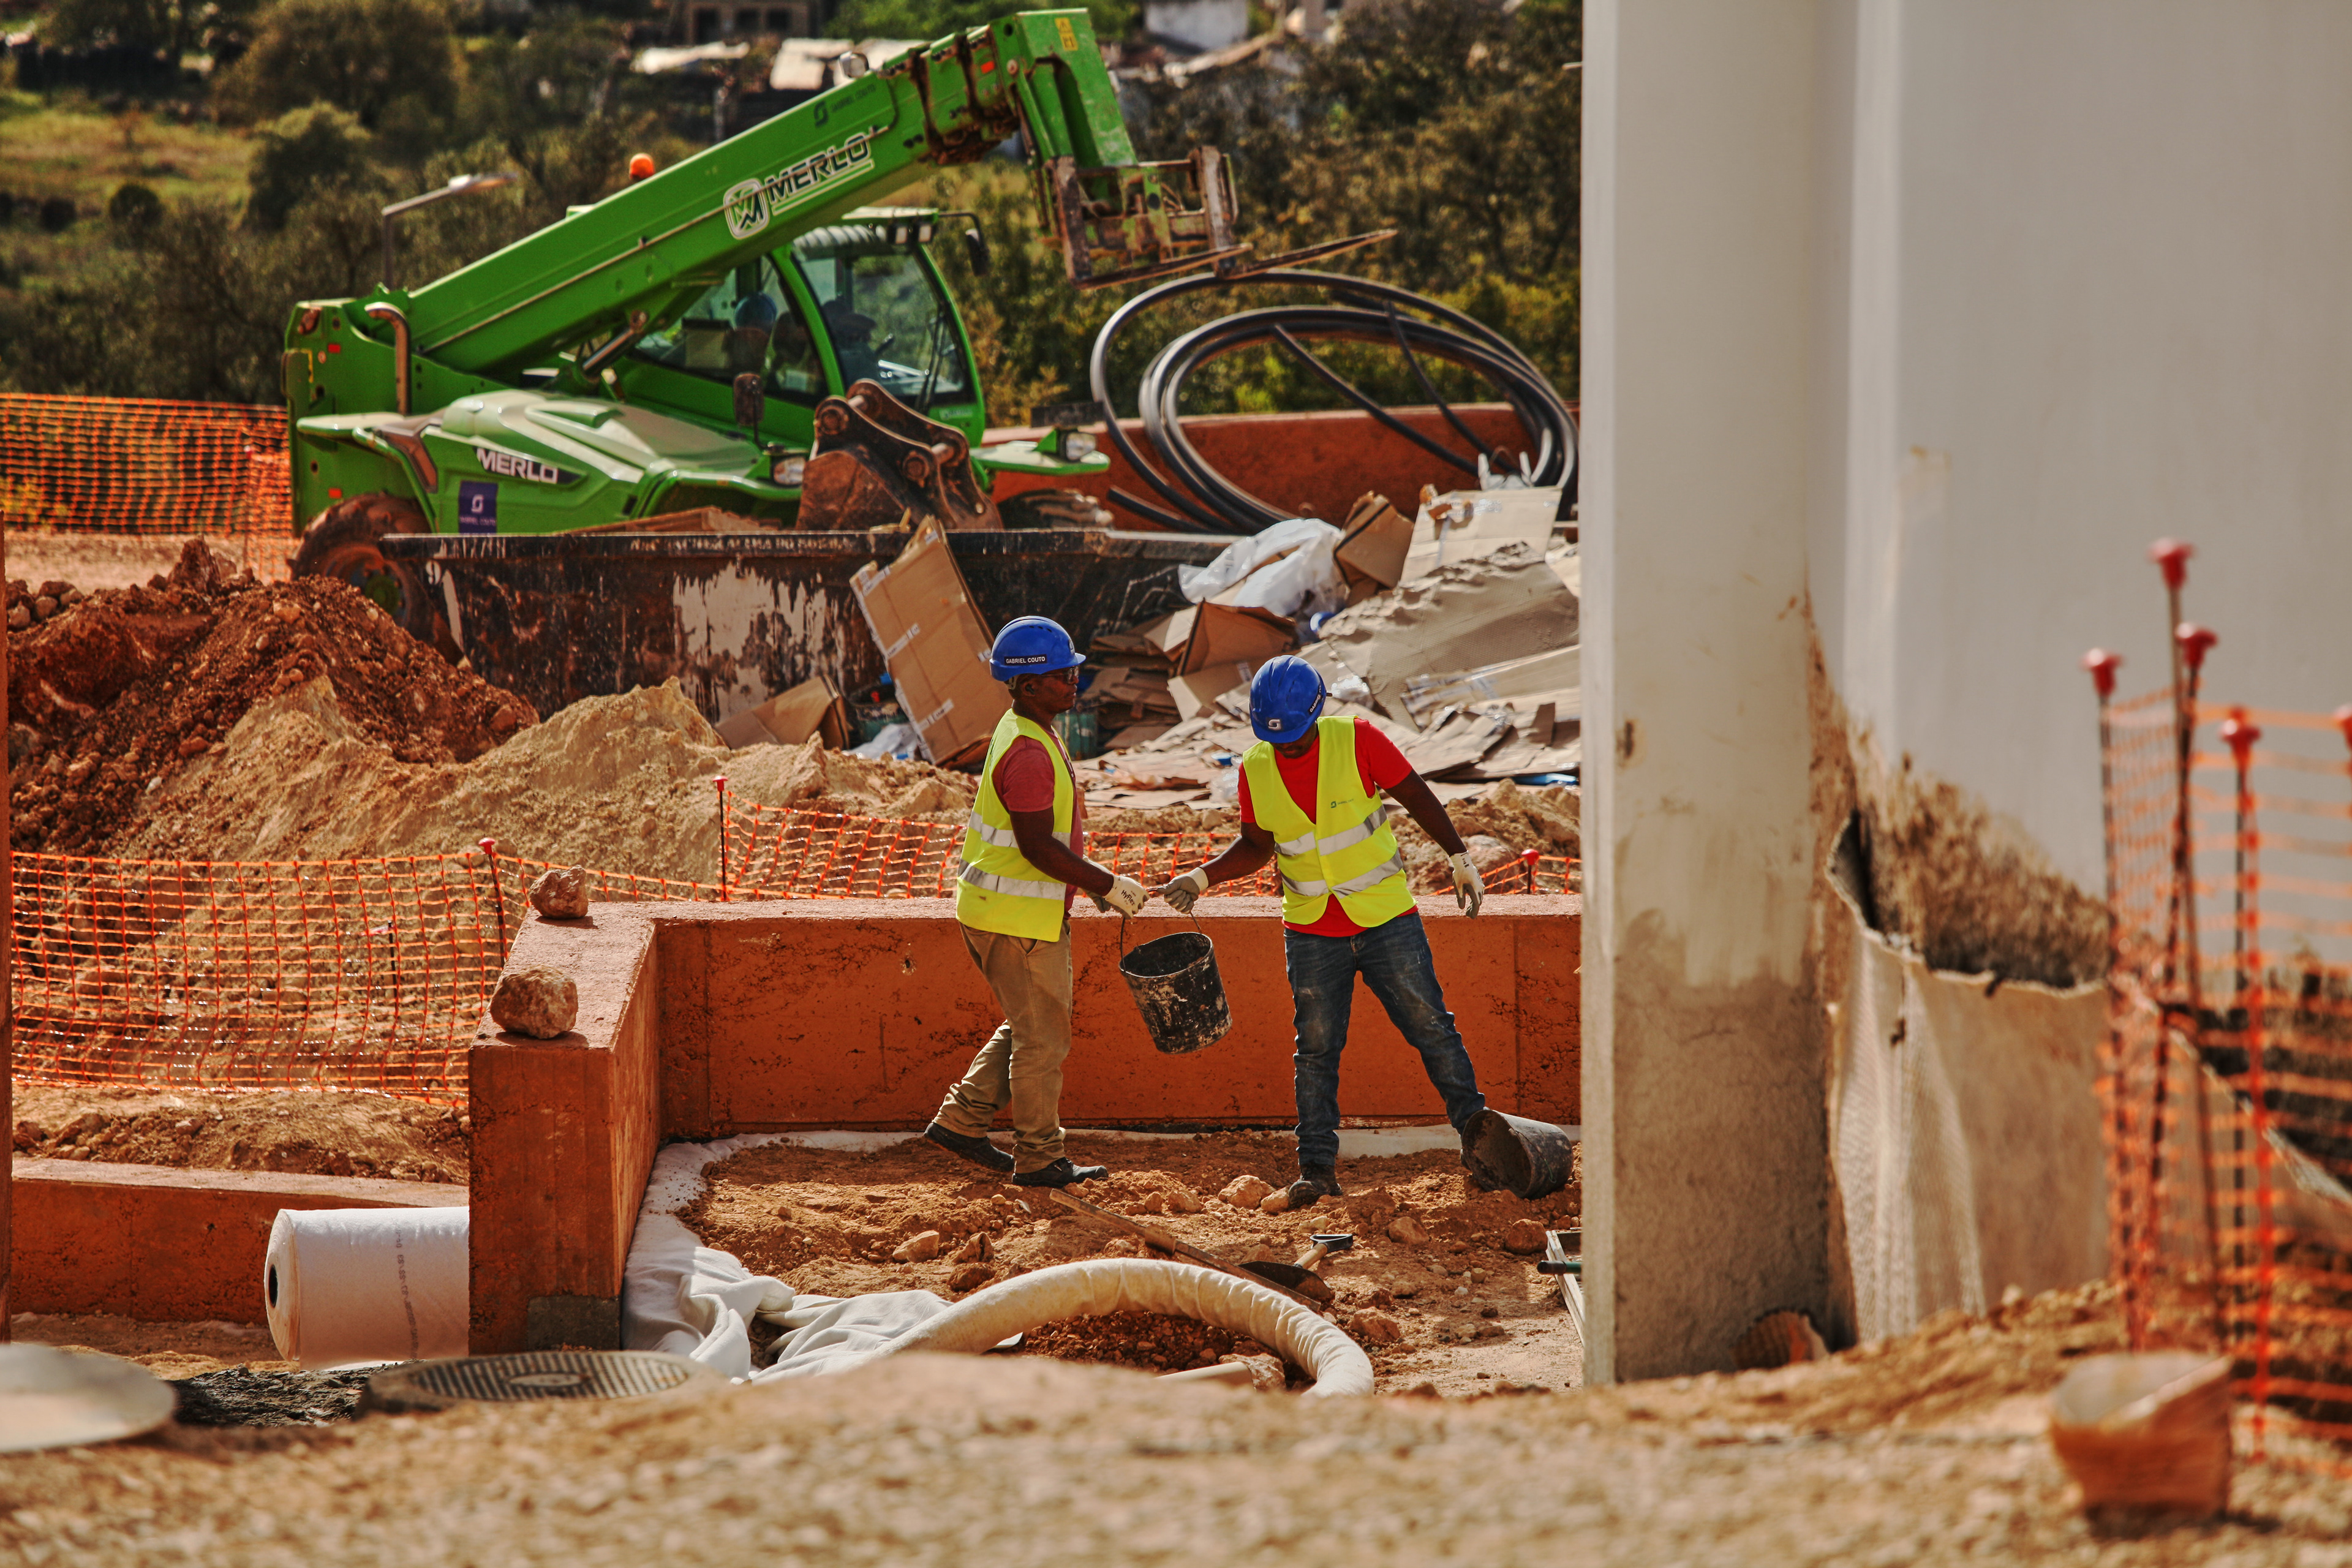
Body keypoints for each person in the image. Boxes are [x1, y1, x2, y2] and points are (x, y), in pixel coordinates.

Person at [1156, 657, 1488, 1210]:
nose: (1286, 747)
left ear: (1317, 713)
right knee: (1315, 1048)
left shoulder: (1356, 739)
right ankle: (1316, 1169)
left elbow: (1416, 794)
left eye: (1296, 736)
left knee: (1433, 1028)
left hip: (1385, 918)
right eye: (1275, 738)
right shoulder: (1255, 767)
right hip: (1311, 928)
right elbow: (1257, 844)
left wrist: (1459, 855)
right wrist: (1203, 874)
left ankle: (1481, 1143)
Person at [922, 617, 1147, 1188]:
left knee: (1031, 1026)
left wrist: (1083, 884)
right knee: (1042, 1038)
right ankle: (1041, 1158)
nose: (1074, 678)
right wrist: (1104, 883)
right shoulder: (1027, 749)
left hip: (1008, 912)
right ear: (1027, 685)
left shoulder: (1030, 729)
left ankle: (963, 1119)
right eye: (1059, 673)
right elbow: (1037, 846)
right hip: (1014, 917)